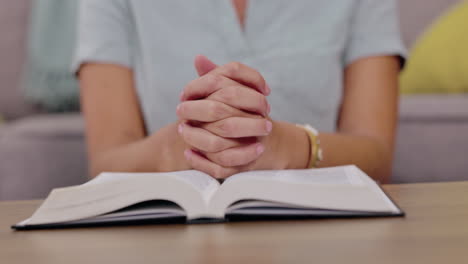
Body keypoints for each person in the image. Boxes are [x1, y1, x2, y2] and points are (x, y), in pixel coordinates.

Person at [74, 0, 406, 182]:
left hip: (320, 232)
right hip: (170, 232)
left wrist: (289, 147)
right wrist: (179, 148)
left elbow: (376, 154)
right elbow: (105, 161)